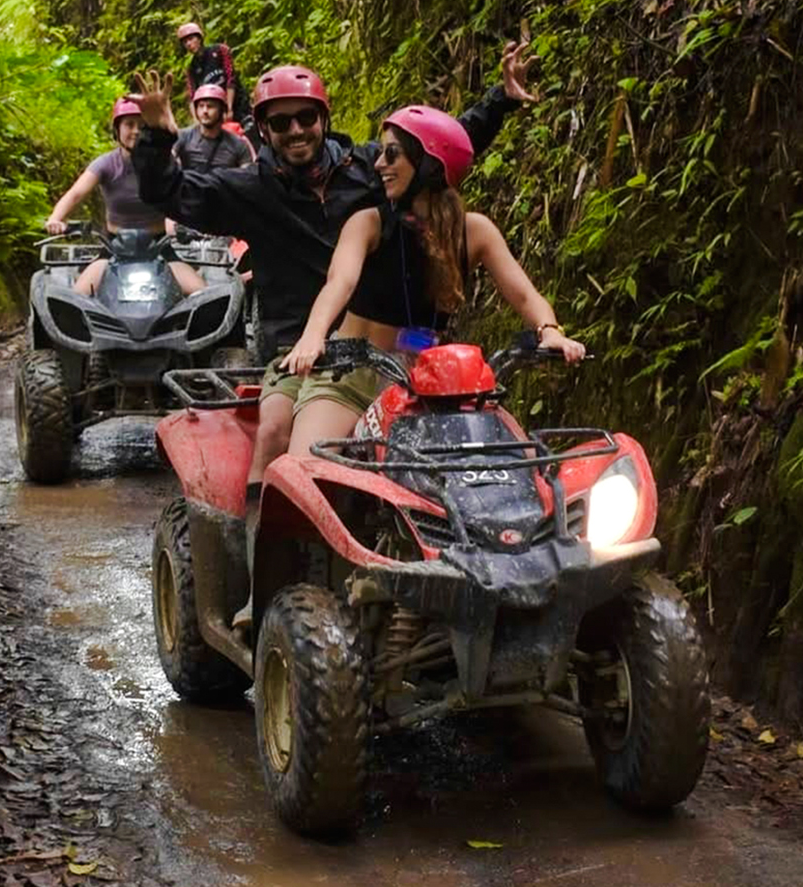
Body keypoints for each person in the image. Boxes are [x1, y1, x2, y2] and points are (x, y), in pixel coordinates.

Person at [128, 40, 540, 626]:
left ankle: (468, 578)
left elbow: (440, 150)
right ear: (263, 130)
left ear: (324, 119)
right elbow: (169, 192)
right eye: (280, 122)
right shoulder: (250, 189)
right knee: (275, 432)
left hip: (397, 354)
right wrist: (156, 136)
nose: (295, 130)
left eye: (305, 118)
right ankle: (264, 587)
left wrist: (501, 99)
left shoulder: (372, 172)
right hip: (297, 347)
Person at [279, 105, 584, 455]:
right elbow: (339, 283)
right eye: (380, 154)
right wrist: (313, 337)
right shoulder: (368, 223)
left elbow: (527, 297)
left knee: (518, 463)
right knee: (306, 468)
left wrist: (549, 332)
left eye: (392, 154)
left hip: (430, 386)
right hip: (348, 378)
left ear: (427, 164)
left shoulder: (475, 231)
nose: (379, 165)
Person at [43, 97, 204, 298]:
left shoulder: (165, 162)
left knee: (201, 294)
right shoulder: (105, 164)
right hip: (114, 248)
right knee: (77, 299)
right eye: (129, 124)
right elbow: (75, 194)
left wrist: (194, 222)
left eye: (142, 126)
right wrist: (56, 218)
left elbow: (185, 192)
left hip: (159, 247)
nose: (136, 131)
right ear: (117, 130)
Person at [177, 22, 250, 123]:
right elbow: (192, 95)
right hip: (215, 114)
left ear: (199, 38)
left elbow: (231, 78)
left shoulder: (220, 50)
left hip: (237, 104)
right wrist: (197, 120)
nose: (189, 44)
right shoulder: (192, 69)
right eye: (185, 42)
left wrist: (229, 108)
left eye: (191, 39)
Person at [175, 84, 255, 173]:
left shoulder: (238, 145)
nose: (205, 111)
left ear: (221, 110)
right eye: (201, 106)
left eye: (210, 106)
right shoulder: (183, 137)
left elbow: (248, 178)